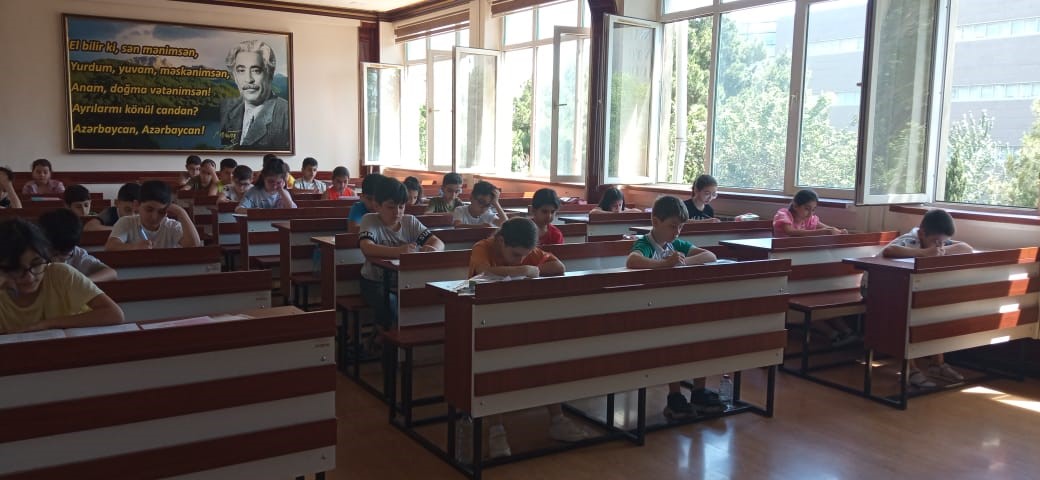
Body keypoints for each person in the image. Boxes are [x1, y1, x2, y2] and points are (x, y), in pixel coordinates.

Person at [465, 217, 587, 457]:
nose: (520, 259)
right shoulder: (483, 247)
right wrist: (523, 270)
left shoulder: (526, 249)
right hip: (483, 322)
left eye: (525, 256)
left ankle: (557, 419)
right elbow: (484, 271)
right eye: (515, 255)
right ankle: (496, 429)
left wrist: (534, 269)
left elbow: (559, 267)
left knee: (545, 357)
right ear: (501, 241)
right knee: (492, 366)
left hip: (519, 320)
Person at [626, 195, 723, 419]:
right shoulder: (645, 243)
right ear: (655, 221)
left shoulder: (677, 245)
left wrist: (683, 262)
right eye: (673, 226)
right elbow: (632, 261)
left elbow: (710, 256)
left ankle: (699, 391)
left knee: (701, 339)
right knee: (673, 345)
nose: (677, 231)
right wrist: (664, 264)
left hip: (680, 306)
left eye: (681, 227)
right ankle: (675, 395)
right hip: (654, 312)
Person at [877, 209, 974, 388]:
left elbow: (966, 248)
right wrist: (925, 253)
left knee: (936, 312)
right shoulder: (910, 239)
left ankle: (937, 364)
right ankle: (910, 369)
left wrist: (940, 249)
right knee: (906, 315)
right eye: (936, 241)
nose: (939, 244)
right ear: (922, 233)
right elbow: (889, 251)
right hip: (879, 290)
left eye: (942, 241)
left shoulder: (938, 240)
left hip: (907, 290)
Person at [0, 218, 123, 333]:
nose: (29, 277)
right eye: (15, 268)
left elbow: (114, 314)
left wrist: (46, 324)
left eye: (36, 264)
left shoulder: (61, 274)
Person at [358, 177, 444, 333]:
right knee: (392, 303)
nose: (397, 212)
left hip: (405, 281)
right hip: (374, 282)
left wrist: (432, 249)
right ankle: (388, 338)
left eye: (401, 207)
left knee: (426, 299)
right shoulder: (369, 220)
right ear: (377, 206)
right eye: (391, 207)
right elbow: (366, 247)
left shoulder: (410, 221)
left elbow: (438, 242)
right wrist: (398, 252)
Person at [219, 40, 290, 150]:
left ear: (270, 74)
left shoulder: (287, 114)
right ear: (235, 76)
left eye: (256, 70)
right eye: (241, 70)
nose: (248, 79)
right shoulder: (227, 109)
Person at [105, 180, 202, 250]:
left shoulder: (172, 226)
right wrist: (134, 247)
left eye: (161, 212)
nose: (154, 217)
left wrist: (181, 212)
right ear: (137, 205)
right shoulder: (126, 222)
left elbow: (194, 246)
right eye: (149, 210)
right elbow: (110, 247)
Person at [38, 209, 117, 282]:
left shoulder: (77, 254)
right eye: (53, 253)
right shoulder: (35, 252)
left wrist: (83, 282)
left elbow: (111, 273)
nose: (56, 260)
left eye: (64, 254)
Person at [773, 189, 847, 237]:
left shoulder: (809, 219)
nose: (810, 214)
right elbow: (790, 232)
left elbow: (827, 228)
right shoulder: (784, 215)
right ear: (795, 206)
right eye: (807, 209)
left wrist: (839, 232)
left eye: (813, 210)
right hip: (780, 251)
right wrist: (821, 232)